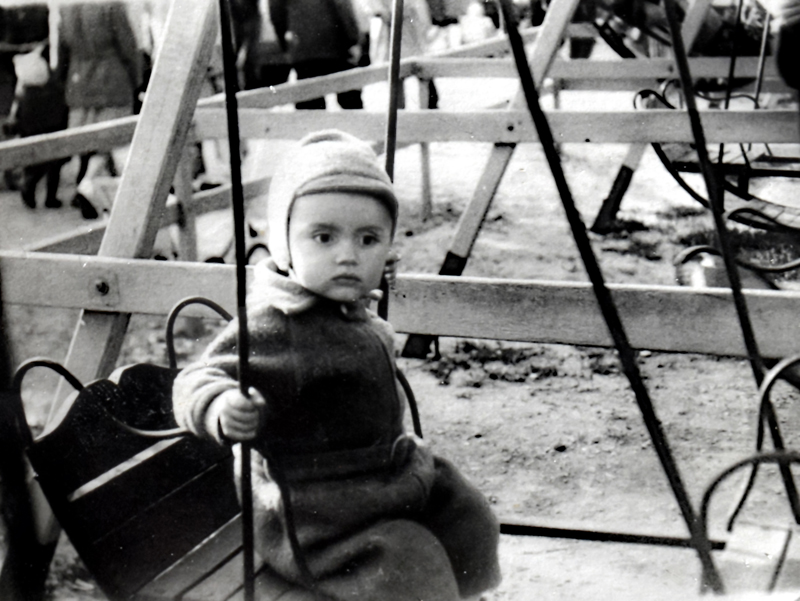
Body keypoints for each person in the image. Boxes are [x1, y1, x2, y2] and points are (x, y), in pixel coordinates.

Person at [173, 130, 501, 601]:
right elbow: (196, 377)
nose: (347, 256)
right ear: (285, 245)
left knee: (466, 512)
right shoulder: (276, 322)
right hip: (316, 513)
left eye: (368, 239)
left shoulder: (342, 301)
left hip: (378, 477)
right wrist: (221, 405)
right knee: (407, 557)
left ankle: (465, 591)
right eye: (323, 237)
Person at [57, 1, 142, 220]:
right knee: (114, 142)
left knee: (89, 143)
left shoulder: (66, 7)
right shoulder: (111, 5)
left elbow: (62, 52)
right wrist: (137, 81)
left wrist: (66, 84)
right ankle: (92, 188)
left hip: (79, 81)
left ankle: (89, 188)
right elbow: (128, 46)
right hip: (112, 80)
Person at [268, 0, 364, 109]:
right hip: (336, 44)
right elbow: (343, 5)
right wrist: (353, 40)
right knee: (350, 103)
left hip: (303, 47)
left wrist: (285, 43)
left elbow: (276, 12)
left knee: (310, 106)